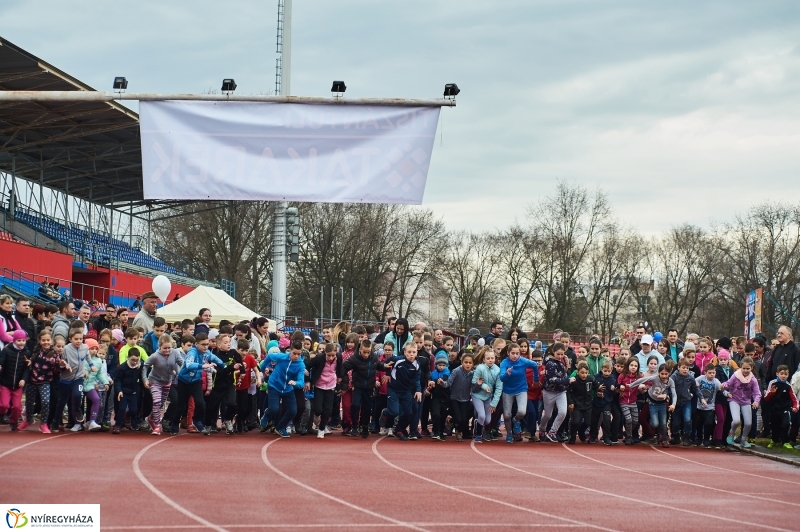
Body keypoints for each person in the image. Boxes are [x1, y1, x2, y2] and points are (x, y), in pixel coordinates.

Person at [170, 333, 221, 435]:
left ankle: (197, 420)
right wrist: (204, 366)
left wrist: (223, 366)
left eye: (207, 344)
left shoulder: (206, 353)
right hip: (183, 381)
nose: (205, 347)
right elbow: (189, 365)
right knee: (180, 406)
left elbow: (215, 359)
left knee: (201, 403)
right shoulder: (192, 352)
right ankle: (175, 423)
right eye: (203, 344)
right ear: (196, 344)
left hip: (196, 382)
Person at [340, 339, 388, 438]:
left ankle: (364, 426)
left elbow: (378, 365)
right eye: (364, 352)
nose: (366, 354)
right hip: (357, 386)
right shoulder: (355, 358)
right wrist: (344, 381)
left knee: (367, 408)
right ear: (360, 350)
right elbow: (343, 368)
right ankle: (354, 426)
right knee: (355, 405)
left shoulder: (374, 357)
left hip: (369, 387)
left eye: (368, 352)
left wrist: (384, 366)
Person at [263, 340, 306, 438]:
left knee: (293, 411)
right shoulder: (281, 357)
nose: (296, 356)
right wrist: (263, 369)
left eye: (299, 354)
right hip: (274, 385)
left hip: (288, 389)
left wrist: (295, 383)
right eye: (294, 353)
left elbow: (301, 382)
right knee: (274, 409)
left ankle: (280, 427)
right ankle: (267, 414)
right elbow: (269, 357)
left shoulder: (301, 365)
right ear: (290, 351)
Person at [143, 334, 184, 435]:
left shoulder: (175, 353)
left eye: (169, 348)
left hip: (167, 382)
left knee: (161, 404)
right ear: (159, 346)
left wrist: (177, 371)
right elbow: (145, 366)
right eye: (164, 348)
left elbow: (182, 363)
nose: (167, 350)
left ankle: (151, 418)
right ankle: (157, 425)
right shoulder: (155, 356)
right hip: (155, 381)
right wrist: (145, 380)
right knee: (156, 402)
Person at [498, 341, 539, 443]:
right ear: (508, 353)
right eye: (513, 353)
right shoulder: (504, 363)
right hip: (508, 390)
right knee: (507, 415)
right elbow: (502, 378)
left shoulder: (523, 361)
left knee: (522, 412)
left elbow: (534, 365)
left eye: (517, 353)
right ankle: (509, 434)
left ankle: (516, 421)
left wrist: (536, 379)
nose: (515, 356)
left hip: (521, 389)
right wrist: (507, 373)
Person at [19, 331, 58, 432]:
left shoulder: (54, 354)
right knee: (29, 401)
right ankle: (28, 420)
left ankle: (43, 423)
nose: (46, 342)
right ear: (40, 341)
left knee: (45, 401)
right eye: (43, 340)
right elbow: (31, 360)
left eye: (48, 340)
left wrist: (63, 366)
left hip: (45, 381)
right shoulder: (36, 351)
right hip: (32, 380)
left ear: (51, 341)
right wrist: (29, 362)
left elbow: (58, 368)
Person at [382, 341, 421, 441]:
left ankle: (399, 429)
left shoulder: (417, 365)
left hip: (406, 391)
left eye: (414, 352)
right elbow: (387, 361)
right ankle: (385, 413)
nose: (411, 354)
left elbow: (417, 379)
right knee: (394, 412)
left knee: (408, 413)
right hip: (394, 390)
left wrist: (418, 390)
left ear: (416, 353)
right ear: (405, 352)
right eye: (409, 352)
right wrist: (387, 373)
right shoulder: (398, 360)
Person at [721, 357, 761, 448]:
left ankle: (743, 439)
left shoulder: (753, 379)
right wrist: (724, 385)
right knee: (736, 420)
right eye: (744, 368)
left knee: (748, 423)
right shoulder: (735, 376)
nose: (746, 370)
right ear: (740, 367)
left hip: (746, 401)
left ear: (752, 368)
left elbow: (757, 392)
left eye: (748, 369)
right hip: (734, 399)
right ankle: (731, 432)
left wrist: (756, 401)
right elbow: (728, 384)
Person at [54, 329, 88, 432]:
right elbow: (61, 363)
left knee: (77, 394)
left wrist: (87, 368)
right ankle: (56, 422)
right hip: (65, 379)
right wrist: (64, 366)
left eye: (80, 339)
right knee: (61, 402)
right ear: (70, 339)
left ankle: (77, 410)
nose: (78, 341)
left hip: (78, 378)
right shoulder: (66, 349)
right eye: (76, 339)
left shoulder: (85, 348)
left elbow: (87, 358)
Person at [307, 342, 342, 439]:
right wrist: (308, 381)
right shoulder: (319, 358)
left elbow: (341, 368)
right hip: (319, 385)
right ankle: (317, 415)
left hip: (331, 385)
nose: (331, 358)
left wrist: (339, 377)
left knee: (328, 410)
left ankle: (321, 429)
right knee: (318, 409)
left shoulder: (338, 357)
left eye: (333, 355)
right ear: (325, 353)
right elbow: (307, 365)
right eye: (329, 355)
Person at [539, 343, 570, 443]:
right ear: (553, 352)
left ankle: (553, 432)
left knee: (562, 412)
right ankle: (542, 429)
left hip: (561, 391)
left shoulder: (562, 362)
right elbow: (553, 379)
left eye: (562, 354)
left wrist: (567, 366)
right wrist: (568, 381)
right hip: (549, 391)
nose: (560, 356)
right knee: (548, 415)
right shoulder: (550, 363)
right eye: (558, 354)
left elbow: (564, 374)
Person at [0, 329, 31, 431]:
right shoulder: (7, 350)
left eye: (23, 340)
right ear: (14, 341)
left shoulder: (26, 352)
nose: (21, 343)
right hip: (6, 383)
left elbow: (27, 369)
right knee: (4, 404)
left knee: (17, 407)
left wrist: (23, 379)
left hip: (18, 385)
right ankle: (1, 414)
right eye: (19, 340)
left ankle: (13, 422)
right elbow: (2, 361)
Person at [763, 365, 799, 449]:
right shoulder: (773, 383)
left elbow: (794, 398)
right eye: (782, 373)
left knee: (786, 423)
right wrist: (772, 393)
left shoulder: (788, 386)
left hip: (785, 409)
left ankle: (785, 441)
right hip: (774, 409)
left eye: (786, 374)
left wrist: (795, 407)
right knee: (775, 425)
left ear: (788, 375)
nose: (783, 376)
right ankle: (774, 440)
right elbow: (766, 398)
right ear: (777, 374)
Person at [471, 347, 502, 443]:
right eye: (488, 358)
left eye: (492, 358)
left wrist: (494, 403)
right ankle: (479, 435)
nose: (490, 360)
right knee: (481, 416)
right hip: (477, 395)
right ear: (484, 359)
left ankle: (478, 424)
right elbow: (473, 381)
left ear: (495, 359)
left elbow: (499, 388)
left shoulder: (497, 370)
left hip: (488, 398)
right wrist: (484, 386)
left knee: (488, 420)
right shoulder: (480, 368)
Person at [443, 352, 474, 442]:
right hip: (454, 398)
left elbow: (474, 387)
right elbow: (448, 383)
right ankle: (451, 422)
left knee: (464, 420)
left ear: (473, 364)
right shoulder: (456, 371)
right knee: (459, 419)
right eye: (466, 362)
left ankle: (458, 430)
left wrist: (479, 384)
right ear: (462, 362)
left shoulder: (473, 374)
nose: (467, 364)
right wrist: (442, 383)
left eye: (470, 363)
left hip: (465, 399)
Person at [112, 347, 143, 434]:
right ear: (128, 358)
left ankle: (127, 416)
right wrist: (119, 390)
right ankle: (117, 425)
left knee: (134, 409)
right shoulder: (122, 367)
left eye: (137, 360)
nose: (134, 362)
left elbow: (142, 375)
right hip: (123, 391)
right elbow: (117, 380)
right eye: (132, 360)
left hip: (133, 391)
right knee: (121, 408)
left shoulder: (140, 366)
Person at [82, 338, 109, 432]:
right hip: (80, 383)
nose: (94, 351)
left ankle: (92, 421)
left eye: (95, 349)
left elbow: (99, 374)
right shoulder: (82, 358)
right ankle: (77, 423)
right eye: (91, 348)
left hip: (90, 385)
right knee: (77, 400)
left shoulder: (98, 361)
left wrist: (105, 382)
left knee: (96, 399)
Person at [233, 340, 259, 433]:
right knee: (236, 406)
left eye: (246, 350)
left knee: (247, 408)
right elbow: (229, 372)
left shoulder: (249, 358)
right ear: (237, 349)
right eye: (242, 350)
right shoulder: (233, 358)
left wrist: (258, 380)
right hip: (235, 387)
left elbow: (256, 370)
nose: (244, 353)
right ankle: (237, 422)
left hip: (245, 387)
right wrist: (239, 371)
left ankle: (240, 420)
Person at [670, 359, 697, 446]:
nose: (685, 369)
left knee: (688, 419)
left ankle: (687, 436)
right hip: (676, 403)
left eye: (687, 368)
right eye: (683, 368)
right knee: (676, 421)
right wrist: (667, 396)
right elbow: (667, 386)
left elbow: (695, 389)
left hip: (686, 401)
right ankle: (676, 436)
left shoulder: (690, 378)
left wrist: (700, 397)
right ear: (678, 368)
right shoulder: (673, 377)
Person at [695, 363, 722, 448]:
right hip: (699, 407)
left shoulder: (716, 381)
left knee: (709, 423)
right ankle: (699, 439)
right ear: (705, 372)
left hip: (710, 407)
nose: (712, 375)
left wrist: (726, 393)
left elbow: (721, 388)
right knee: (698, 424)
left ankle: (706, 439)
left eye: (713, 373)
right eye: (710, 373)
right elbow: (693, 381)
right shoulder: (701, 378)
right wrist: (695, 383)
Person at [567, 362, 594, 445]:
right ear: (577, 372)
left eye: (586, 373)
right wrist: (571, 402)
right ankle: (573, 436)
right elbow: (568, 392)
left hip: (587, 405)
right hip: (576, 405)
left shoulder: (590, 379)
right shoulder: (574, 381)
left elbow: (596, 386)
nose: (584, 375)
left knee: (588, 422)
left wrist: (600, 390)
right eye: (582, 373)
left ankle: (581, 431)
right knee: (575, 421)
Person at [590, 360, 616, 445]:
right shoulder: (596, 377)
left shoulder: (612, 379)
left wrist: (613, 389)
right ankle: (593, 436)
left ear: (611, 370)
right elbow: (592, 387)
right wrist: (597, 390)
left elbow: (615, 390)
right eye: (605, 371)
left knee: (607, 420)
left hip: (607, 402)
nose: (606, 373)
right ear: (601, 369)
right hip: (597, 402)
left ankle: (606, 437)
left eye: (609, 371)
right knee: (594, 420)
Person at [617, 357, 641, 445]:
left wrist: (644, 387)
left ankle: (627, 432)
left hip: (633, 402)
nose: (633, 367)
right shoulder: (622, 375)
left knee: (635, 420)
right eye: (631, 365)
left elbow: (647, 382)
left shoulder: (638, 376)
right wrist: (620, 389)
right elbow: (617, 385)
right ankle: (628, 437)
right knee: (628, 419)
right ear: (628, 366)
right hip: (623, 401)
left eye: (635, 366)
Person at [427, 351, 451, 441]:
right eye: (439, 365)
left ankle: (441, 432)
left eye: (443, 365)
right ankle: (436, 431)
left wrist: (438, 380)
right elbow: (430, 380)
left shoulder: (447, 371)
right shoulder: (433, 373)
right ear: (436, 364)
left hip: (445, 398)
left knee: (443, 415)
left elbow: (445, 377)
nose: (441, 367)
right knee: (436, 414)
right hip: (436, 397)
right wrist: (430, 383)